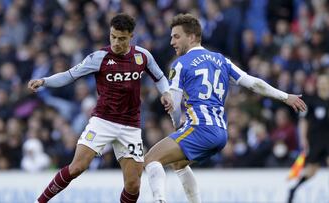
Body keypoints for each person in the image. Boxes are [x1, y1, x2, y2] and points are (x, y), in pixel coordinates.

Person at [144, 13, 307, 203]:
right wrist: (286, 96)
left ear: (192, 37)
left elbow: (174, 105)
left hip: (200, 128)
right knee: (178, 163)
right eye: (171, 36)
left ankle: (159, 201)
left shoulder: (180, 64)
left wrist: (176, 124)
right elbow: (253, 83)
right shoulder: (221, 60)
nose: (172, 41)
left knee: (150, 160)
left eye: (176, 36)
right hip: (221, 133)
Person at [28, 13, 173, 203]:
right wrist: (44, 81)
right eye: (113, 37)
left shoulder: (142, 56)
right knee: (77, 167)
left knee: (133, 185)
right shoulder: (99, 57)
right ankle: (39, 202)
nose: (116, 42)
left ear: (131, 36)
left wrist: (166, 93)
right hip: (103, 121)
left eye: (121, 39)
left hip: (130, 126)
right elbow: (69, 75)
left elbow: (160, 77)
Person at [287, 73, 329, 203]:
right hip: (315, 140)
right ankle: (294, 189)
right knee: (311, 171)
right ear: (317, 84)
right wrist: (303, 139)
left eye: (325, 82)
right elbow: (304, 121)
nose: (322, 84)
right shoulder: (312, 101)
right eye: (320, 82)